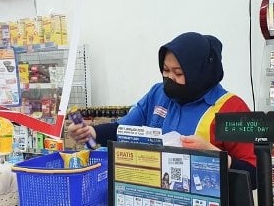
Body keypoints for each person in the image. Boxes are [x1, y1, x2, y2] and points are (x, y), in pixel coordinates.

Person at [68, 32, 257, 176]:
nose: (170, 78)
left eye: (179, 73)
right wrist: (91, 132)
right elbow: (123, 129)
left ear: (200, 72)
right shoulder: (158, 93)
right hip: (158, 201)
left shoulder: (232, 108)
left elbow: (254, 172)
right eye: (165, 70)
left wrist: (215, 156)